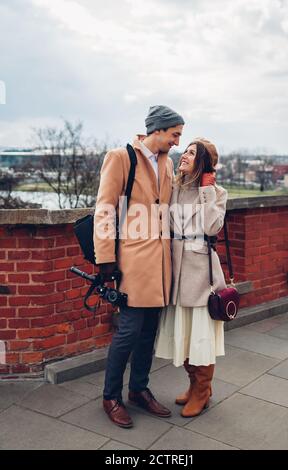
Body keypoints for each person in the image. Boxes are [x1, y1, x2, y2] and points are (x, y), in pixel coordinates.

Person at [93, 105, 185, 428]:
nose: (177, 142)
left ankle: (139, 390)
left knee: (148, 333)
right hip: (130, 265)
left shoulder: (167, 164)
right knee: (128, 332)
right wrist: (105, 262)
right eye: (174, 134)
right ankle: (110, 396)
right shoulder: (121, 158)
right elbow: (104, 210)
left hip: (160, 268)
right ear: (157, 130)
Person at [155, 138, 228, 418]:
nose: (184, 155)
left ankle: (202, 391)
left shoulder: (217, 193)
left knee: (200, 337)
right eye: (184, 150)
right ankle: (194, 384)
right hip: (176, 267)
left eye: (191, 153)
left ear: (204, 163)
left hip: (200, 272)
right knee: (182, 335)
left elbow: (212, 226)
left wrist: (208, 189)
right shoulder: (176, 187)